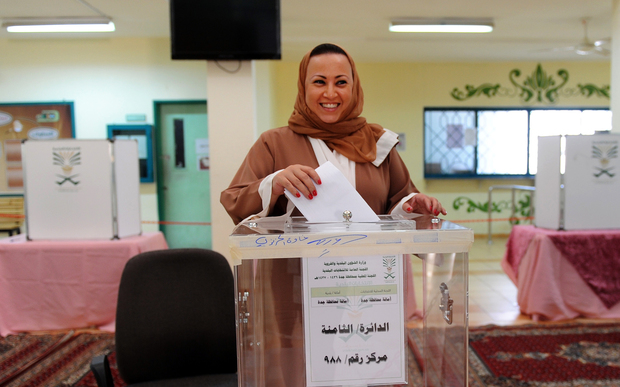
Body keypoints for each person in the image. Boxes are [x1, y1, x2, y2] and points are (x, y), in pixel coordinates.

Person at [221, 43, 447, 386]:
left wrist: (413, 205)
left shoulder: (378, 145)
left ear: (354, 87)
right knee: (297, 362)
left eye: (341, 82)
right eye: (319, 82)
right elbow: (235, 199)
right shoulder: (274, 143)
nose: (330, 92)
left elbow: (398, 201)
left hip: (368, 283)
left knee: (363, 359)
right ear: (303, 87)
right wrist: (274, 182)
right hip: (295, 285)